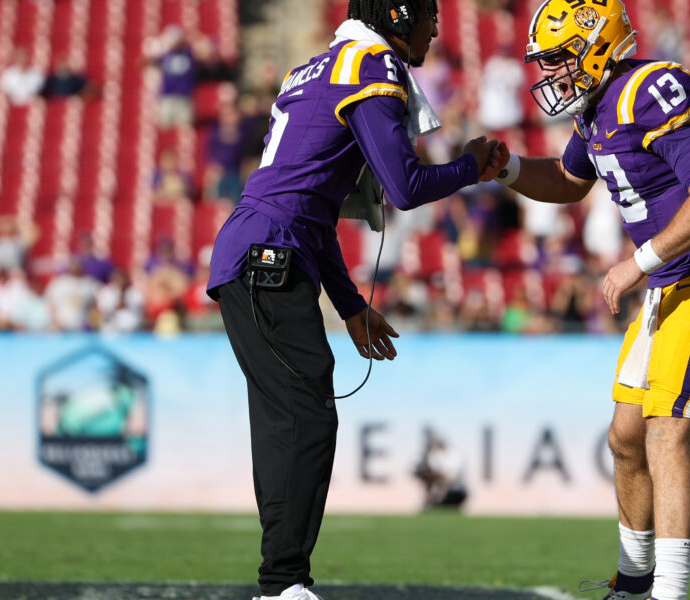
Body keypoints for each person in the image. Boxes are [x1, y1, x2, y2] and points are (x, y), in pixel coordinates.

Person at [205, 1, 501, 599]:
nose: (436, 27)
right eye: (427, 14)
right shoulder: (374, 64)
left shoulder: (319, 67)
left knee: (290, 415)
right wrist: (472, 166)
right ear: (397, 14)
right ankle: (283, 582)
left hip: (261, 246)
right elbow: (404, 186)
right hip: (269, 253)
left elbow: (311, 213)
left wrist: (349, 304)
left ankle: (281, 580)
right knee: (303, 415)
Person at [494, 2, 690, 598]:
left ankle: (668, 592)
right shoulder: (596, 112)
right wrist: (507, 167)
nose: (553, 75)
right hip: (672, 285)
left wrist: (637, 263)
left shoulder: (649, 87)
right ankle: (635, 581)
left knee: (668, 433)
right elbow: (568, 181)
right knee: (625, 436)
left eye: (559, 59)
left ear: (596, 47)